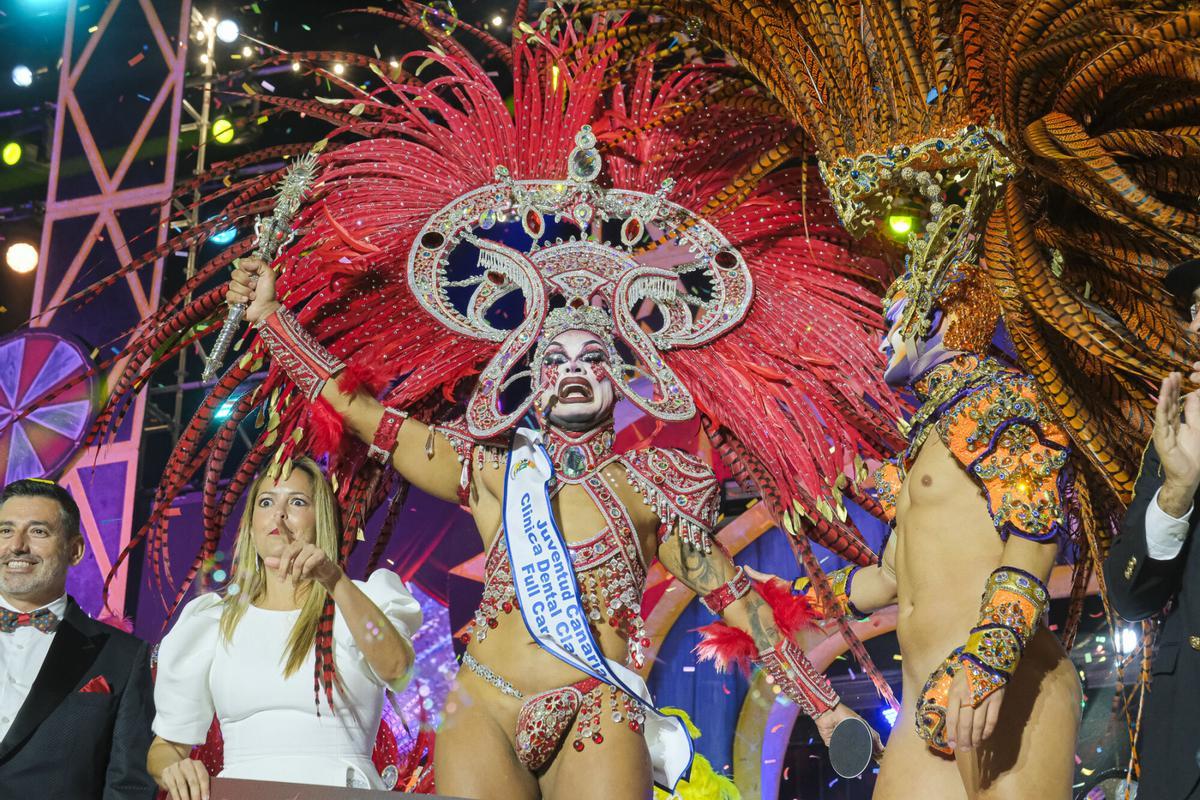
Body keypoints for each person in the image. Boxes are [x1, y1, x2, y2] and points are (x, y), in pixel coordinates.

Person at [147, 456, 421, 799]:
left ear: (320, 520)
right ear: (250, 526)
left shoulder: (362, 599)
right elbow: (167, 746)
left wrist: (334, 580)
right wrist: (174, 768)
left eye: (296, 501)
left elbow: (398, 669)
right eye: (266, 502)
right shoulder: (212, 620)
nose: (278, 514)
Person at [1103, 257, 1200, 800]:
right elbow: (1129, 593)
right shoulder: (1182, 433)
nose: (1193, 325)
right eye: (1194, 309)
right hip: (1184, 743)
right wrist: (1178, 493)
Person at [0, 478, 156, 799]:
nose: (17, 545)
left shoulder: (124, 656)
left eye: (38, 531)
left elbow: (129, 786)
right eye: (5, 531)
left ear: (75, 550)